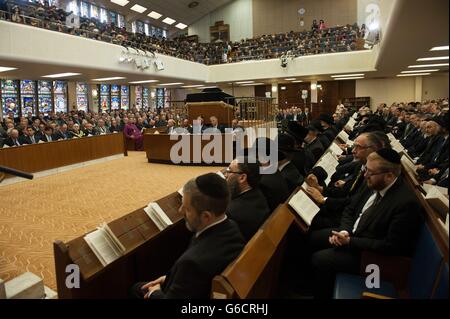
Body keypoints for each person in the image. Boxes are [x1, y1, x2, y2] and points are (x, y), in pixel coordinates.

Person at [309, 149, 423, 298]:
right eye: (366, 170)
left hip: (374, 258)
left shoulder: (406, 203)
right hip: (354, 235)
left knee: (320, 259)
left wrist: (350, 241)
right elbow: (350, 210)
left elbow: (391, 246)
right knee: (313, 237)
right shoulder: (372, 181)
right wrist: (344, 231)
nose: (365, 175)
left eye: (370, 172)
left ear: (389, 176)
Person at [130, 173, 244, 299]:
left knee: (136, 289)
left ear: (206, 216)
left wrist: (154, 293)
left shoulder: (192, 263)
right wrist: (169, 278)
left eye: (187, 209)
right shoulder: (231, 227)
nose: (180, 211)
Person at [225, 156, 271, 242]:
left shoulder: (231, 213)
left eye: (229, 171)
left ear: (242, 178)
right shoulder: (258, 194)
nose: (225, 175)